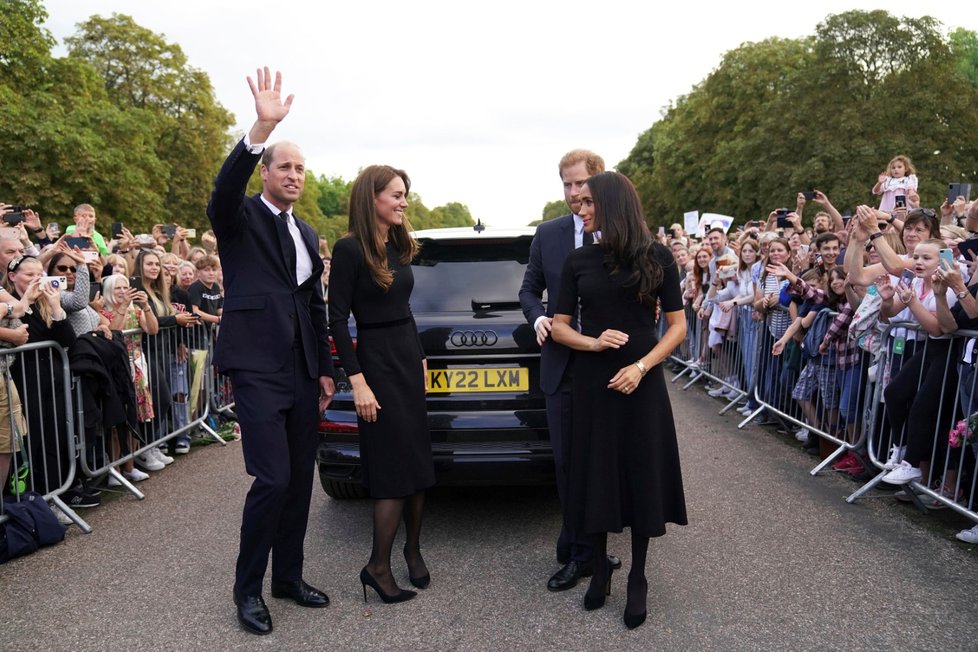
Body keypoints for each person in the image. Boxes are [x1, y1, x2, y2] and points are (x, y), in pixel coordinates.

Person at [206, 68, 334, 636]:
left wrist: (327, 371)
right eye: (284, 166)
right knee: (273, 479)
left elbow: (314, 306)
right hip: (257, 368)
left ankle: (289, 577)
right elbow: (223, 190)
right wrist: (262, 126)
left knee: (301, 481)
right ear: (266, 171)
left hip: (304, 371)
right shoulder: (239, 219)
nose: (294, 175)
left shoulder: (306, 233)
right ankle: (247, 590)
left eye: (301, 169)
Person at [551, 171, 687, 630]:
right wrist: (591, 344)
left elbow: (677, 326)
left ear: (612, 204)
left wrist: (642, 367)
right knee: (596, 468)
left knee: (640, 471)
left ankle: (639, 577)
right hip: (594, 378)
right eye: (579, 202)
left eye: (589, 202)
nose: (581, 208)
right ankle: (600, 567)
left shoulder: (658, 257)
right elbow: (559, 324)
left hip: (641, 378)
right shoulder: (579, 260)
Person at [328, 165, 433, 605]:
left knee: (416, 467)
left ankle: (412, 549)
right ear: (372, 197)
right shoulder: (349, 250)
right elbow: (336, 319)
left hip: (406, 360)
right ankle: (377, 566)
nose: (403, 201)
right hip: (375, 366)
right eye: (396, 194)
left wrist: (421, 356)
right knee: (392, 472)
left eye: (405, 194)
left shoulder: (399, 242)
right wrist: (359, 383)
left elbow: (404, 307)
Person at [518, 148, 621, 594]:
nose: (573, 192)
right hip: (562, 365)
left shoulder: (616, 233)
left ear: (597, 183)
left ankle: (589, 546)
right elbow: (528, 289)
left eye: (580, 183)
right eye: (566, 183)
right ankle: (579, 550)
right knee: (566, 463)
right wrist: (538, 318)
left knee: (602, 461)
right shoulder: (549, 234)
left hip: (607, 365)